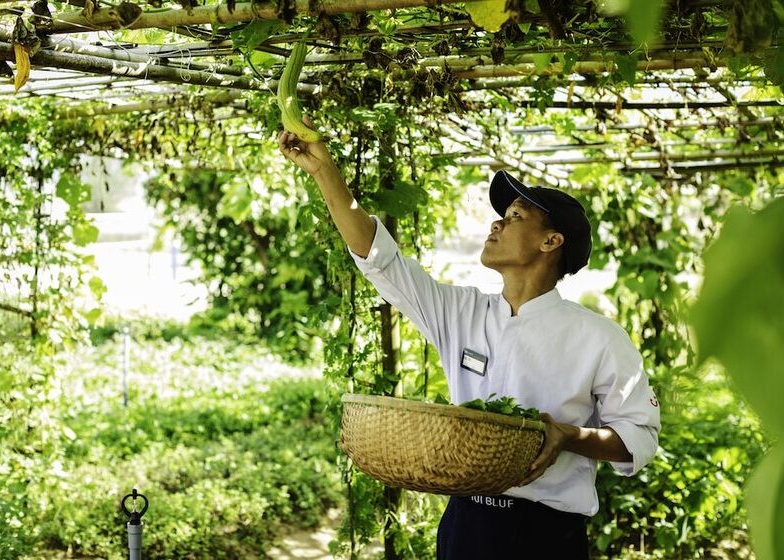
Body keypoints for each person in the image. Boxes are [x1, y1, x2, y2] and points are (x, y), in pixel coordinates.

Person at [278, 123, 661, 559]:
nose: (497, 223)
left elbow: (640, 436)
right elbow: (379, 260)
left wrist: (567, 436)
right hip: (467, 525)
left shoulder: (599, 338)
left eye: (516, 217)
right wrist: (323, 171)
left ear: (550, 242)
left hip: (547, 534)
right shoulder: (460, 312)